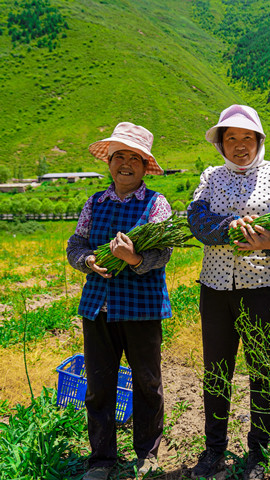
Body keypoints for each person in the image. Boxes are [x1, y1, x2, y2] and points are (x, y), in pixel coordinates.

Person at [187, 105, 270, 480]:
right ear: (221, 144)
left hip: (262, 288)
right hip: (216, 288)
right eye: (231, 138)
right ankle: (214, 450)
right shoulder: (211, 176)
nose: (239, 146)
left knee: (262, 371)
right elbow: (196, 220)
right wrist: (233, 227)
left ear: (259, 141)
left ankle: (260, 451)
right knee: (216, 371)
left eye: (247, 138)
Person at [66, 122, 172, 480]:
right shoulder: (94, 203)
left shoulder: (156, 204)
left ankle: (147, 454)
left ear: (145, 166)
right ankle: (101, 460)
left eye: (134, 158)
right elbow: (76, 244)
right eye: (119, 157)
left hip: (142, 308)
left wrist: (135, 259)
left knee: (147, 383)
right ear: (109, 162)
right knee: (98, 386)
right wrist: (87, 261)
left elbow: (163, 253)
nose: (125, 164)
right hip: (98, 305)